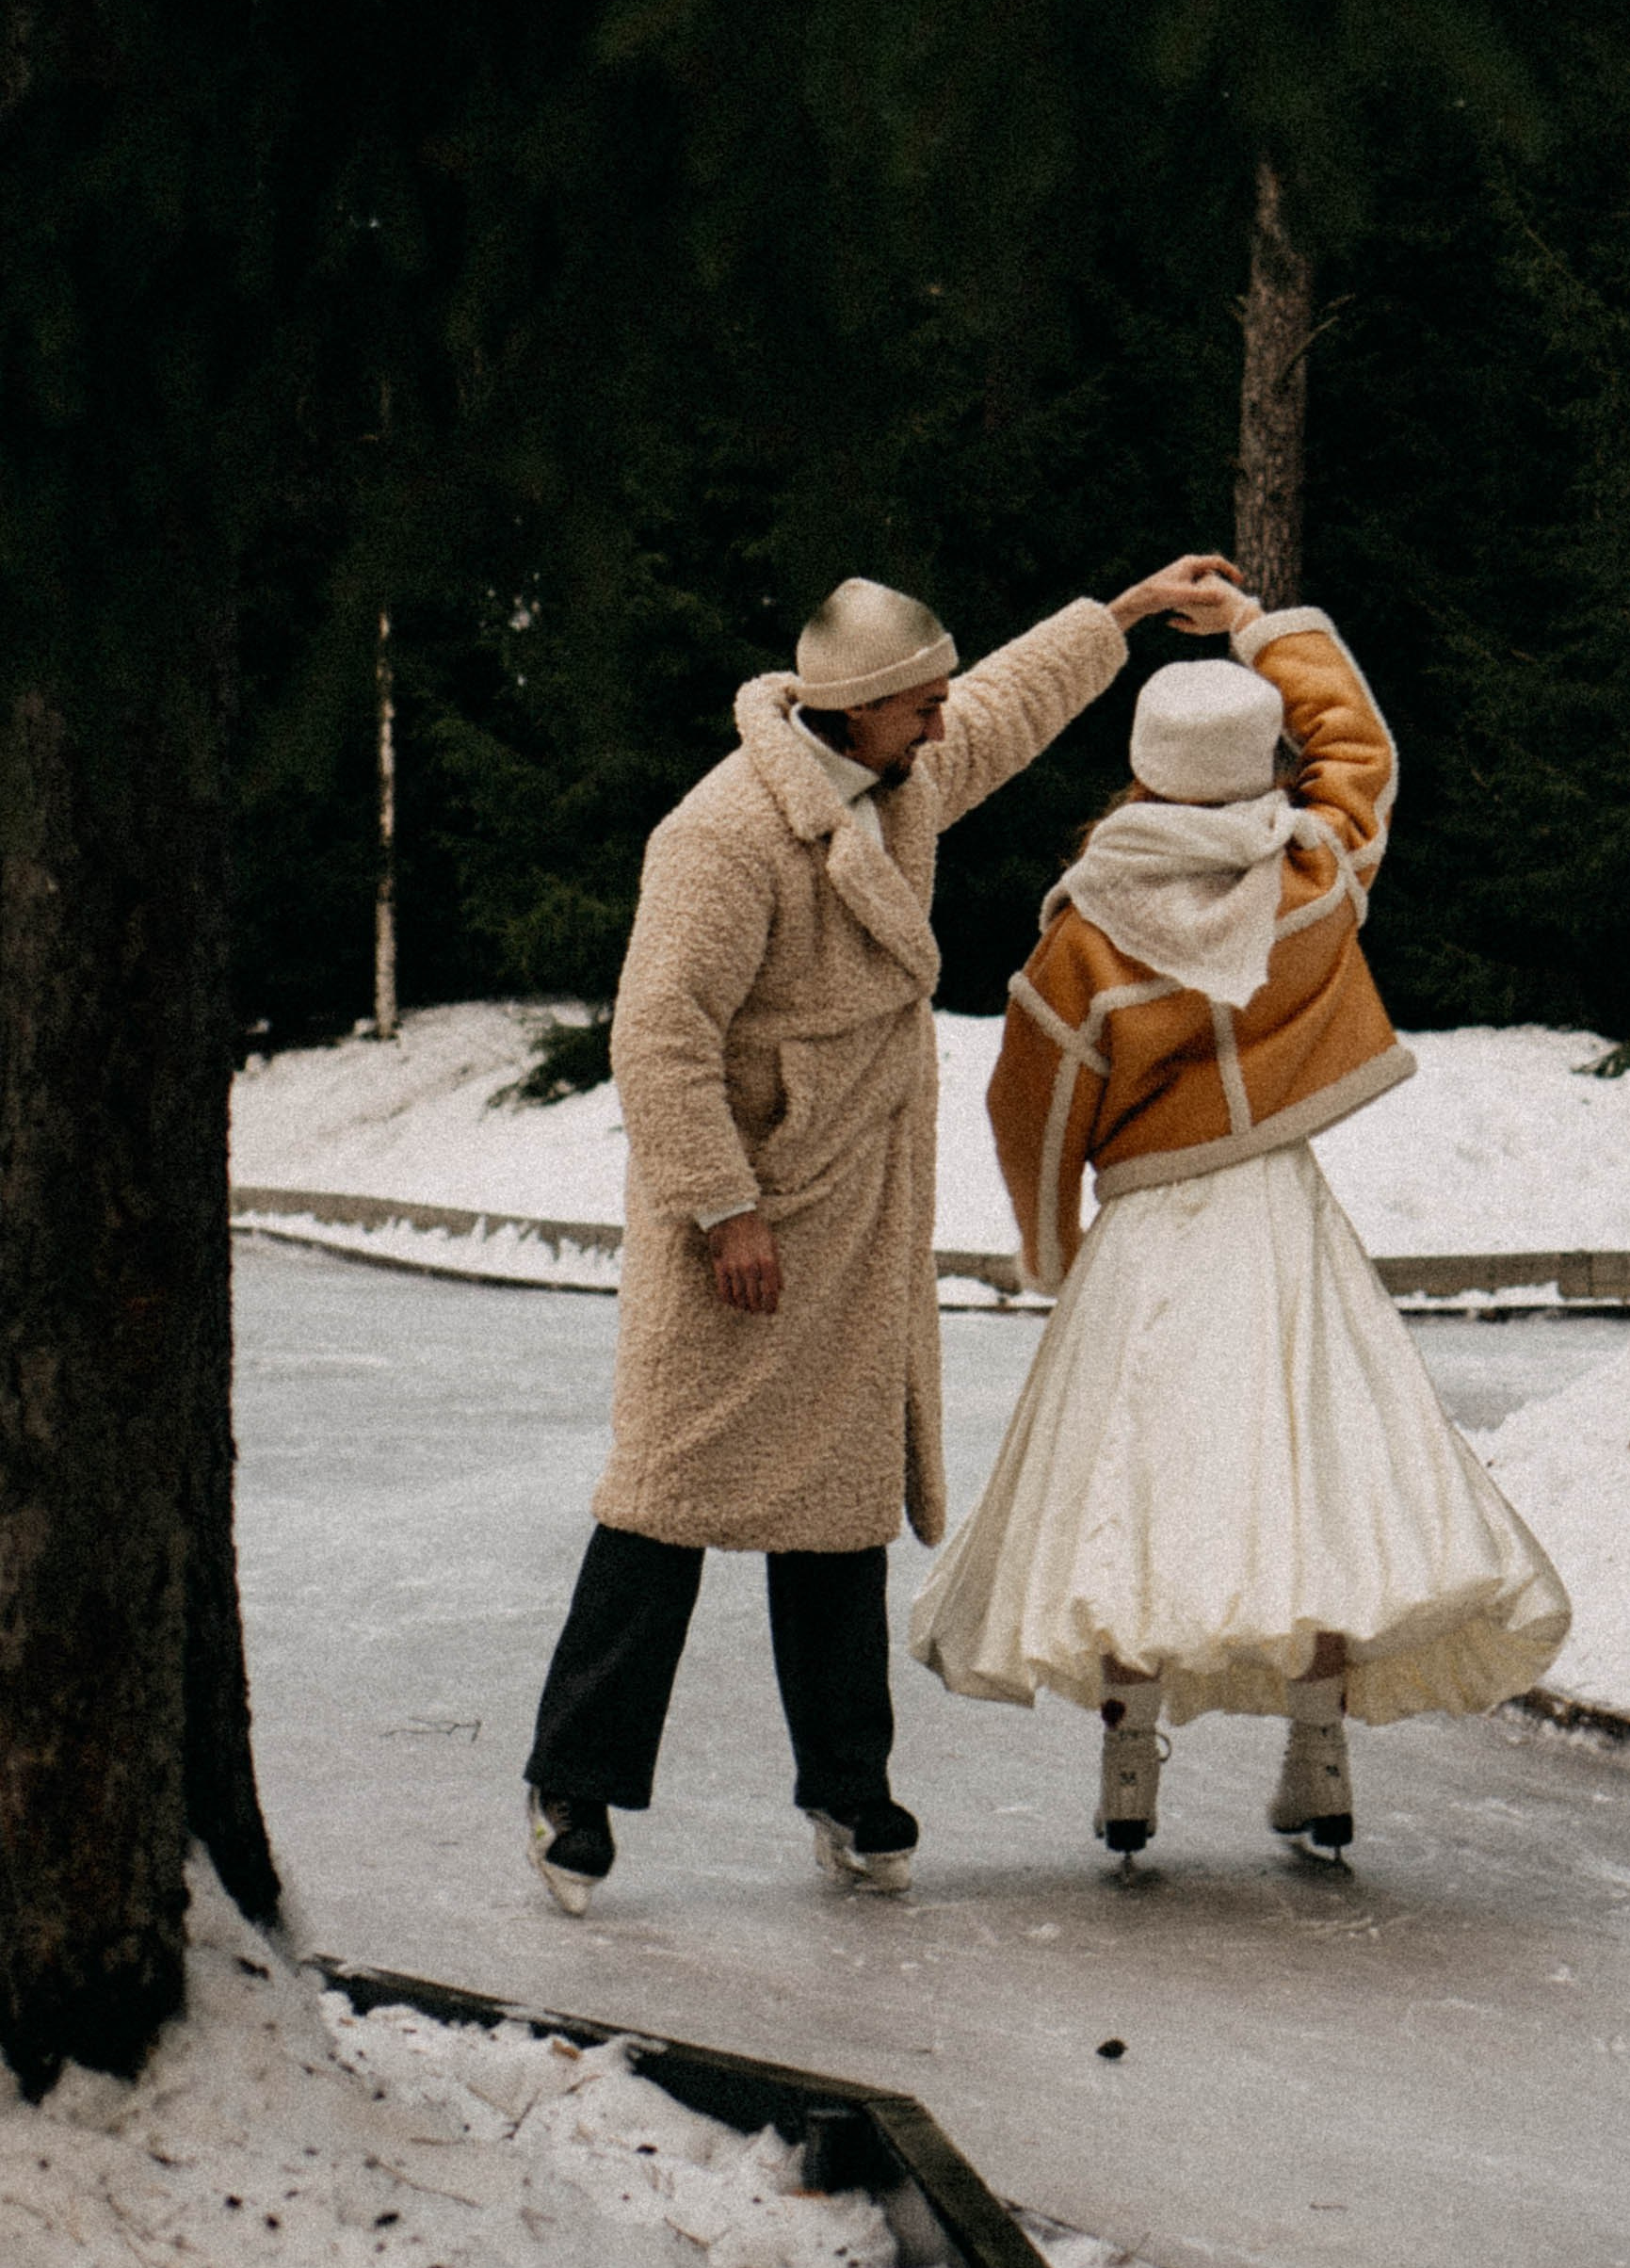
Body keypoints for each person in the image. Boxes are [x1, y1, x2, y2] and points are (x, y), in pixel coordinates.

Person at [523, 552, 1242, 1915]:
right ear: (857, 709)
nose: (943, 718)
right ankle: (574, 1785)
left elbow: (1013, 703)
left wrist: (1130, 613)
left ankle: (850, 1792)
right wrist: (725, 1205)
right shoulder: (723, 835)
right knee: (665, 1508)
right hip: (739, 1225)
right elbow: (658, 1034)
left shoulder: (897, 778)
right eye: (922, 702)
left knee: (838, 1519)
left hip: (853, 1214)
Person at [908, 591, 1570, 1864]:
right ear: (1260, 763)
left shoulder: (1085, 932)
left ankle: (1128, 1759)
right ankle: (1319, 1754)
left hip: (1150, 1229)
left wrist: (1051, 1245)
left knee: (1139, 1487)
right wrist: (1262, 625)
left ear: (1144, 768)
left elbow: (1030, 1105)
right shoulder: (1310, 876)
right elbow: (1360, 750)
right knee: (1307, 1477)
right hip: (1279, 1212)